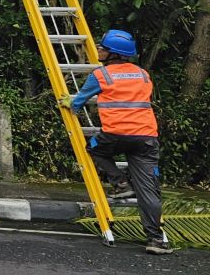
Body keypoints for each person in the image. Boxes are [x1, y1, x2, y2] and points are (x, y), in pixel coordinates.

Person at [61, 29, 172, 255]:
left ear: (113, 54)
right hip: (146, 138)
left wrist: (66, 102)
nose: (98, 50)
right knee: (149, 191)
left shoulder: (101, 75)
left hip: (114, 136)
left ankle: (121, 183)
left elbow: (77, 103)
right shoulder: (143, 74)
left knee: (93, 149)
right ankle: (155, 240)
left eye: (103, 48)